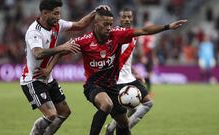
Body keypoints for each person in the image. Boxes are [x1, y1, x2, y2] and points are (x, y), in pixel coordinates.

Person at [37, 7, 186, 135]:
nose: (109, 27)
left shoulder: (117, 35)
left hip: (112, 87)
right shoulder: (85, 40)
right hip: (93, 86)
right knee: (106, 105)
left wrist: (167, 27)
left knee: (123, 123)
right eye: (105, 24)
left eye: (111, 24)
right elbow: (61, 51)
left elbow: (144, 30)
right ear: (96, 24)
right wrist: (49, 68)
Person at [20, 0, 107, 135]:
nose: (58, 17)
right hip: (33, 79)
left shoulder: (56, 25)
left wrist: (94, 12)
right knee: (51, 115)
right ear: (44, 13)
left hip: (47, 78)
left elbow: (80, 25)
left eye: (59, 13)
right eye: (55, 13)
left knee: (64, 112)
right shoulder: (34, 32)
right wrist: (63, 47)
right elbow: (38, 53)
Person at [105, 7, 153, 135]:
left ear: (132, 18)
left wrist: (135, 72)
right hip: (117, 79)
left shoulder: (133, 35)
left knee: (148, 103)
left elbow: (125, 59)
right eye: (124, 17)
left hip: (130, 77)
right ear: (119, 18)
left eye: (129, 17)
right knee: (129, 108)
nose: (127, 19)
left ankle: (113, 127)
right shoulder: (113, 33)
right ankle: (122, 128)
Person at [139, 11, 157, 95]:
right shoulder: (144, 32)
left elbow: (152, 47)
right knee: (147, 73)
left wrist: (153, 57)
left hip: (148, 54)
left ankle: (147, 91)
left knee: (149, 73)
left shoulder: (149, 34)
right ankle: (146, 91)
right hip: (146, 54)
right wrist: (143, 56)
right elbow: (142, 45)